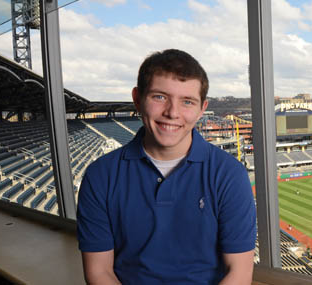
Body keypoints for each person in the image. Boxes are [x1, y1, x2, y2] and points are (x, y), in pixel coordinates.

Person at [76, 49, 256, 284]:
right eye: (160, 97)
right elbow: (99, 273)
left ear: (202, 109)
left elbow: (239, 273)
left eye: (187, 102)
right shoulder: (100, 175)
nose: (172, 113)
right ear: (137, 99)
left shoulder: (230, 174)